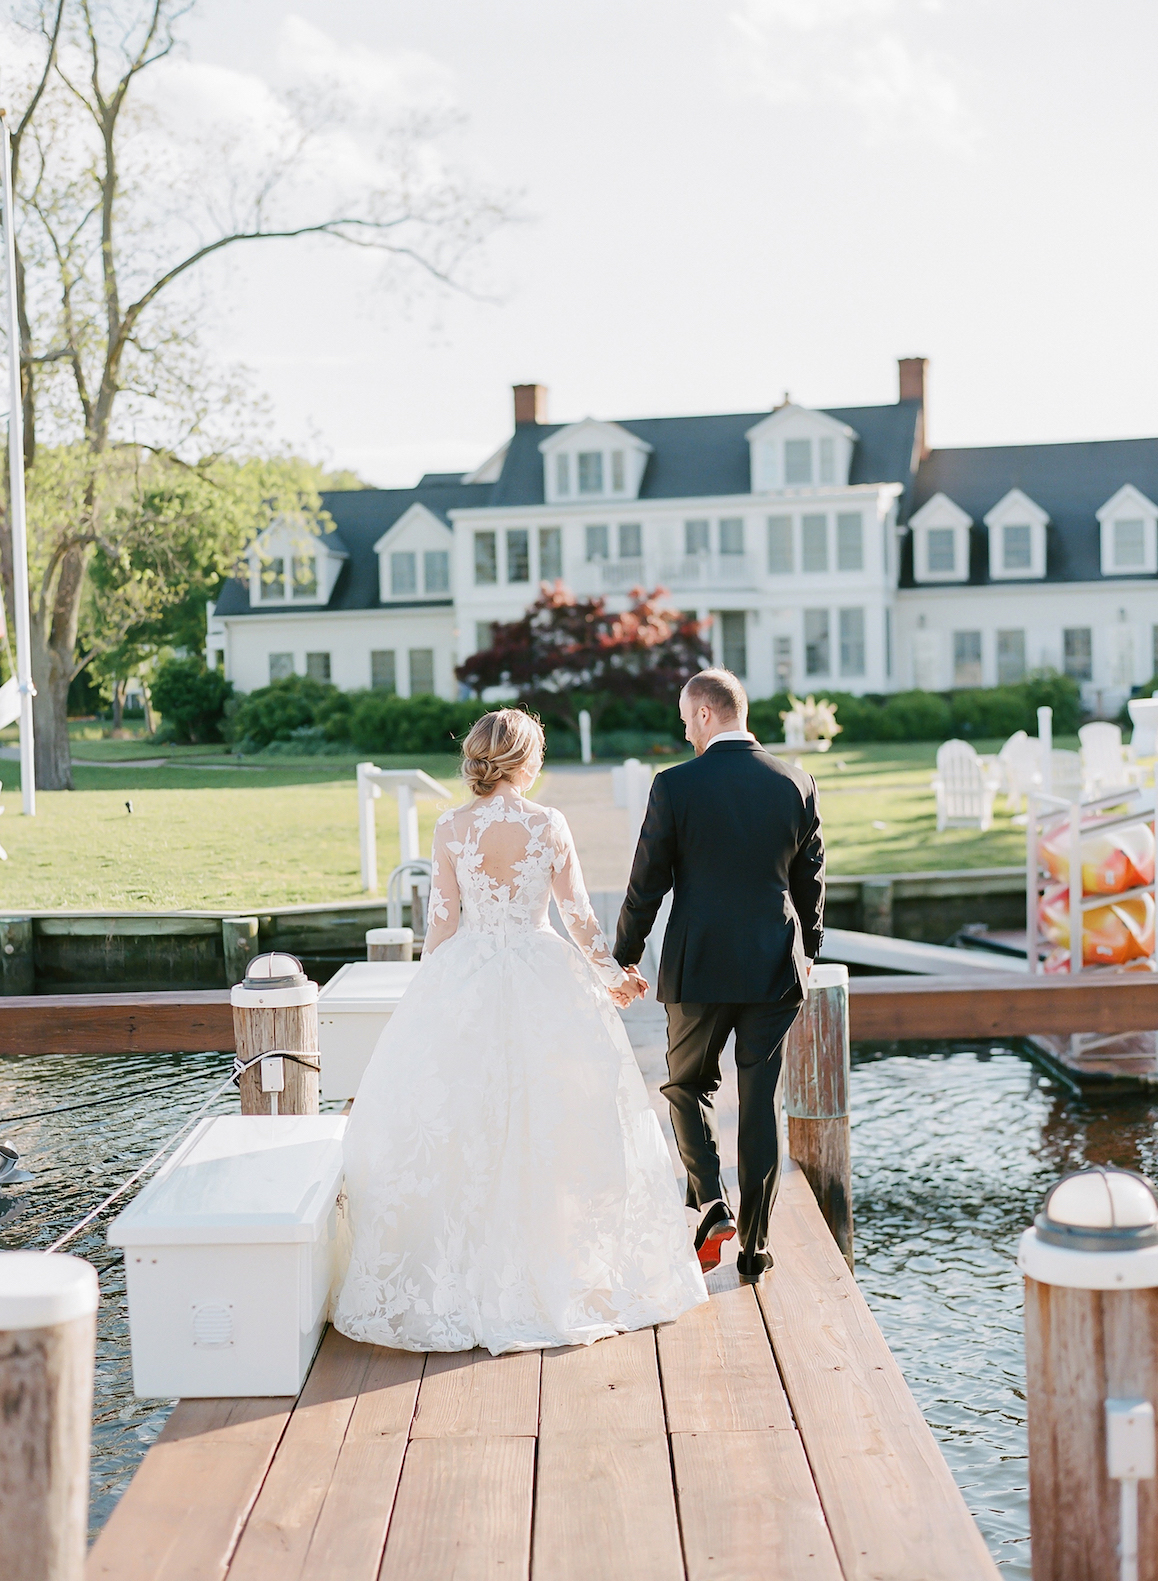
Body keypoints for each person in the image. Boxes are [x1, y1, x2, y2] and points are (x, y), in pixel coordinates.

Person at [332, 708, 707, 1356]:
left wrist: (432, 991)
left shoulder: (450, 827)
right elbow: (579, 916)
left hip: (468, 978)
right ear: (525, 760)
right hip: (543, 975)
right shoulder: (548, 824)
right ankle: (552, 1268)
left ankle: (466, 1274)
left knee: (462, 1122)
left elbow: (442, 925)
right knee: (552, 1124)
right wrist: (614, 976)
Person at [613, 669, 825, 1286]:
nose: (683, 729)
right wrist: (809, 946)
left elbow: (646, 880)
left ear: (706, 714)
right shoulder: (796, 781)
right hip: (774, 965)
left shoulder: (676, 786)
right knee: (761, 1103)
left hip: (698, 965)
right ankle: (755, 1249)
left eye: (686, 717)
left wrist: (626, 953)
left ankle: (713, 1203)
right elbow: (811, 876)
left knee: (685, 1087)